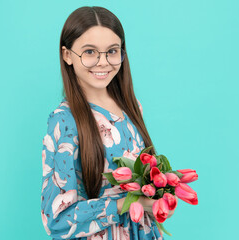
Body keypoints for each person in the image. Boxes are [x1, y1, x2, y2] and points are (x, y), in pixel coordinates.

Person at [40, 6, 174, 239]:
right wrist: (128, 204)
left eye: (112, 51)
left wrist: (158, 198)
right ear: (67, 55)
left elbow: (142, 180)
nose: (103, 62)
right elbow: (58, 221)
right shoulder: (65, 120)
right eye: (90, 52)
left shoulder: (132, 107)